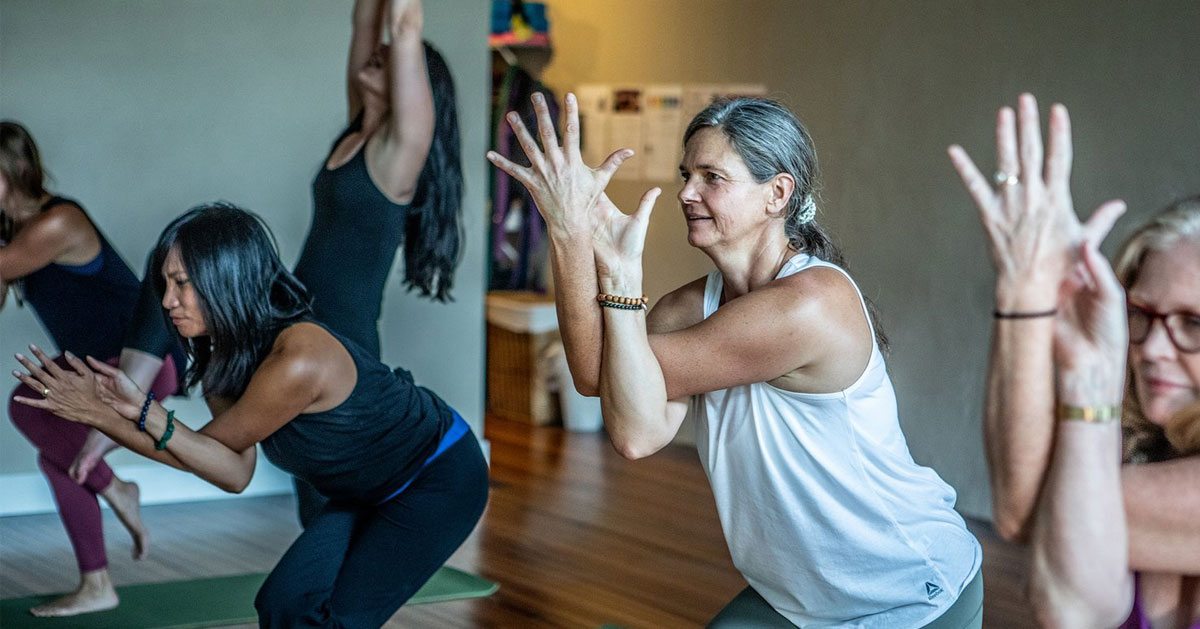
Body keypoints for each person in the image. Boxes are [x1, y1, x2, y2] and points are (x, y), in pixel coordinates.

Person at [488, 95, 983, 627]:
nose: (686, 193)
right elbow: (618, 405)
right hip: (796, 598)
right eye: (685, 174)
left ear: (777, 193)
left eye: (712, 177)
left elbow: (613, 376)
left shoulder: (808, 305)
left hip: (908, 590)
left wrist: (617, 278)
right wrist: (570, 236)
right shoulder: (689, 307)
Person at [13, 203, 488, 629]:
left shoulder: (297, 358)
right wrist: (111, 413)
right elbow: (230, 468)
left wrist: (115, 413)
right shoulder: (223, 363)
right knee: (284, 605)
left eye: (181, 284)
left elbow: (198, 449)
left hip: (437, 479)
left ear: (226, 276)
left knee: (329, 622)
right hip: (364, 489)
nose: (167, 301)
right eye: (165, 284)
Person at [949, 93, 1199, 627]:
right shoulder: (1148, 457)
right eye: (1144, 314)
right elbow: (1075, 605)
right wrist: (1025, 295)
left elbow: (1026, 509)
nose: (1152, 348)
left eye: (1192, 325)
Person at [291, 0, 463, 527]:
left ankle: (346, 590)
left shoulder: (398, 153)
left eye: (391, 56)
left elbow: (403, 22)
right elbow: (365, 18)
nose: (378, 52)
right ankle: (326, 594)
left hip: (343, 339)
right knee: (309, 480)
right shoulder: (357, 131)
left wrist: (400, 33)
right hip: (298, 324)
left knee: (328, 491)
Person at [0, 120, 182, 617]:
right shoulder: (13, 235)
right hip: (94, 365)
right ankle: (97, 583)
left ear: (16, 169)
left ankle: (118, 490)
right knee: (54, 456)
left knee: (26, 404)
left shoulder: (59, 221)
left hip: (139, 362)